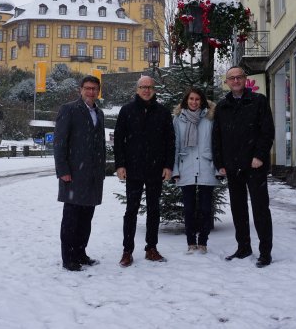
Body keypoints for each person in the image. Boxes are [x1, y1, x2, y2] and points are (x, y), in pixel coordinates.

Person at [212, 66, 276, 268]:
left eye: (239, 77)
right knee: (238, 209)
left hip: (254, 165)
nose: (236, 80)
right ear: (227, 82)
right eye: (231, 78)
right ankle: (243, 247)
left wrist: (259, 156)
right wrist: (220, 163)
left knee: (260, 209)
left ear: (245, 79)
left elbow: (267, 131)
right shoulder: (222, 107)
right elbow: (217, 137)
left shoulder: (258, 101)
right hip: (232, 167)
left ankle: (265, 252)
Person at [114, 75, 175, 267]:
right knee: (131, 210)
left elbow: (170, 141)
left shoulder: (163, 112)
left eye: (149, 87)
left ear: (154, 90)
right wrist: (120, 165)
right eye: (143, 87)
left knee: (154, 210)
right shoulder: (127, 110)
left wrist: (168, 166)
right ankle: (127, 251)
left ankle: (151, 248)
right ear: (137, 90)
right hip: (133, 169)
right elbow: (118, 140)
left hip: (156, 169)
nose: (146, 90)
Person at [54, 75, 107, 272]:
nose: (91, 92)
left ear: (98, 91)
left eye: (94, 89)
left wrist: (101, 170)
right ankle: (68, 258)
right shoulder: (68, 109)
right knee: (71, 218)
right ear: (81, 90)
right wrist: (63, 170)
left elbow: (100, 144)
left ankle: (80, 253)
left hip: (93, 175)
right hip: (74, 174)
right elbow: (60, 142)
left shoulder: (99, 113)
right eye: (87, 88)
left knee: (86, 218)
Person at [171, 87, 220, 255]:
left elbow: (216, 144)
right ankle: (191, 242)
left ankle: (203, 242)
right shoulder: (178, 119)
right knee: (189, 209)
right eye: (191, 99)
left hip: (206, 166)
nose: (194, 102)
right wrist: (175, 170)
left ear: (202, 101)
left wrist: (217, 167)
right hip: (186, 166)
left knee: (206, 209)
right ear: (186, 100)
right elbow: (175, 145)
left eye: (197, 99)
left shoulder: (210, 118)